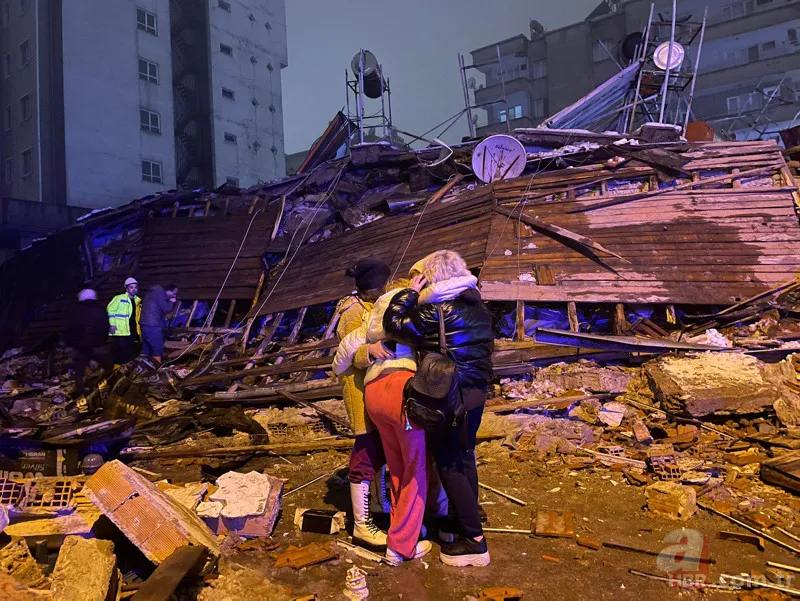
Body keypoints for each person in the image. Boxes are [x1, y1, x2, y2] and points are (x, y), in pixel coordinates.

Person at [383, 250, 494, 567]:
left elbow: (394, 325)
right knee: (465, 457)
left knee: (449, 463)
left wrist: (410, 293)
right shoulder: (479, 308)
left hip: (450, 395)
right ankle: (466, 523)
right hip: (475, 392)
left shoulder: (437, 310)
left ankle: (475, 542)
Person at [333, 278, 445, 562]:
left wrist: (363, 353)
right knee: (415, 470)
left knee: (397, 467)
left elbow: (341, 358)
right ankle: (401, 546)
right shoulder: (405, 311)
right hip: (400, 389)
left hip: (374, 394)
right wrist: (415, 294)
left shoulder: (372, 315)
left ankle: (401, 528)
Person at [335, 258, 393, 550]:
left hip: (378, 389)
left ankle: (379, 505)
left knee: (381, 450)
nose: (382, 291)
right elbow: (348, 357)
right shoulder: (352, 310)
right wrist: (370, 351)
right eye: (380, 287)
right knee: (366, 451)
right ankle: (362, 524)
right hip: (359, 390)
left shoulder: (373, 303)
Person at [64, 289, 112, 395]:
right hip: (98, 345)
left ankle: (80, 392)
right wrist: (102, 340)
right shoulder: (101, 309)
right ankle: (109, 387)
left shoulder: (76, 311)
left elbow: (70, 328)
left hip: (80, 346)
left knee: (79, 371)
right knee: (107, 367)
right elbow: (105, 326)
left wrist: (70, 344)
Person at [139, 284, 178, 363]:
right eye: (174, 293)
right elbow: (166, 309)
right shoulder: (160, 294)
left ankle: (140, 369)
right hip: (153, 326)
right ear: (169, 291)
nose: (174, 296)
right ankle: (156, 372)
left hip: (144, 324)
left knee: (146, 349)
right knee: (157, 349)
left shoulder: (152, 292)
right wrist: (171, 302)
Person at [107, 277, 142, 365]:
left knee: (129, 352)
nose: (134, 289)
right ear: (126, 289)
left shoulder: (138, 301)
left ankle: (125, 371)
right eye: (131, 287)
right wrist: (112, 325)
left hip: (132, 330)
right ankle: (117, 371)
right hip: (120, 330)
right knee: (122, 353)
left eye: (135, 287)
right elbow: (110, 310)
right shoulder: (119, 298)